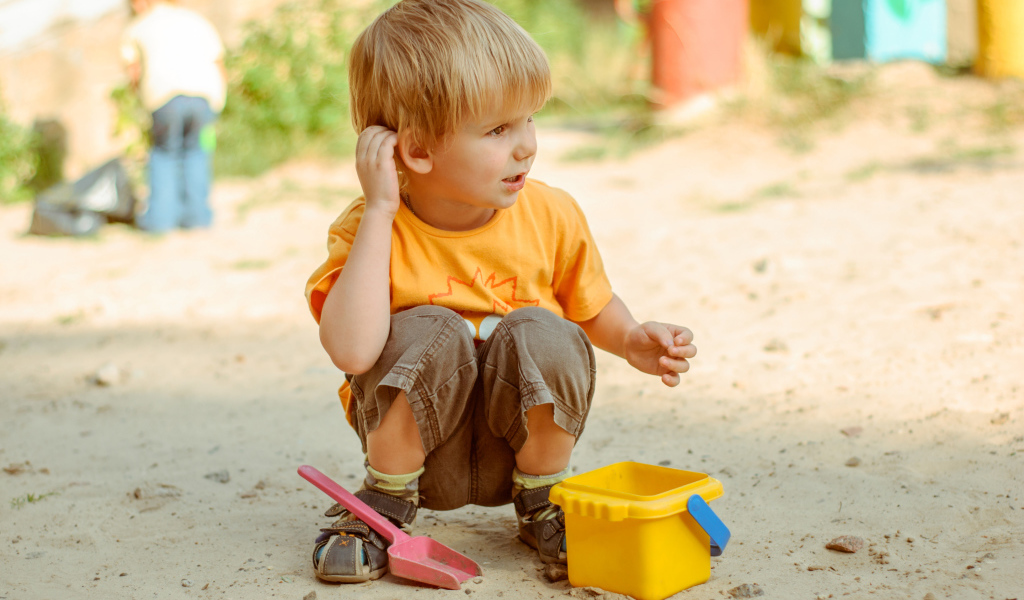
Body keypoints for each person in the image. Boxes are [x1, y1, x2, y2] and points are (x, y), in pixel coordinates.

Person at [304, 0, 697, 583]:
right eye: (497, 130)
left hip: (516, 454)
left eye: (529, 120)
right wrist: (382, 209)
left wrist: (631, 339)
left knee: (545, 329)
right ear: (416, 150)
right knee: (429, 326)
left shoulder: (552, 214)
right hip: (419, 458)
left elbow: (590, 305)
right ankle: (382, 504)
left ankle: (544, 501)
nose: (526, 146)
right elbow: (354, 353)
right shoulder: (368, 229)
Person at [121, 0, 226, 232]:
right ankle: (198, 219)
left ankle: (161, 222)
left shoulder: (138, 27)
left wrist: (139, 101)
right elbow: (218, 63)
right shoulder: (197, 20)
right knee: (196, 152)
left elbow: (134, 72)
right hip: (204, 97)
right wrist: (218, 102)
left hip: (164, 98)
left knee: (163, 154)